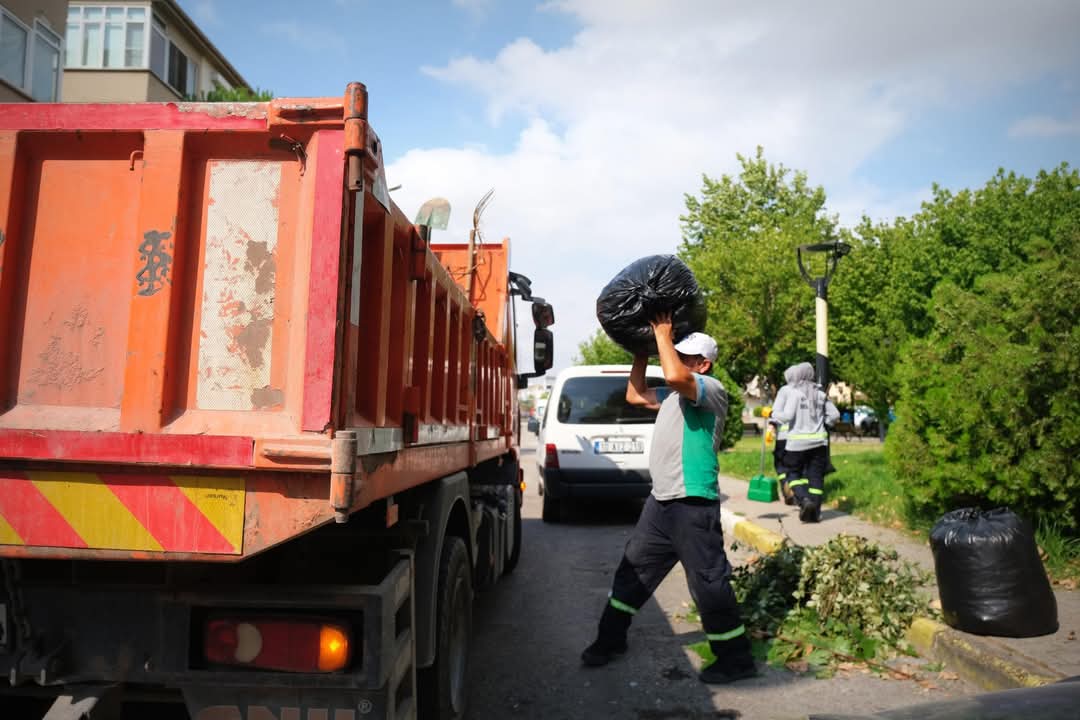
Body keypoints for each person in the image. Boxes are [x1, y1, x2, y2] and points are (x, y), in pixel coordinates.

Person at [580, 313, 757, 685]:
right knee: (633, 570)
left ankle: (736, 658)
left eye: (682, 355)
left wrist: (662, 332)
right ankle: (610, 640)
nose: (672, 359)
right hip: (661, 503)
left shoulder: (710, 388)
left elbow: (676, 375)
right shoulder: (674, 397)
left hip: (693, 502)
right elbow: (634, 394)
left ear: (702, 364)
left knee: (709, 582)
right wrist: (642, 352)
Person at [770, 362, 839, 523]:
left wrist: (772, 413)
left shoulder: (794, 393)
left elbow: (786, 416)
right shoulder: (820, 394)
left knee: (792, 473)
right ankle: (814, 514)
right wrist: (825, 423)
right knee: (816, 478)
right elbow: (835, 415)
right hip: (819, 443)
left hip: (797, 444)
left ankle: (804, 500)